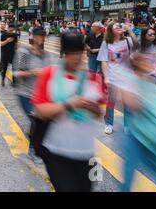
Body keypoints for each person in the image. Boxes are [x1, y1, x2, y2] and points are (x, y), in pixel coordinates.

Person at [31, 32, 104, 192]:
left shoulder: (92, 78)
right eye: (72, 54)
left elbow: (99, 115)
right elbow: (41, 110)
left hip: (88, 153)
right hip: (56, 151)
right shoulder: (49, 74)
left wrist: (93, 108)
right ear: (64, 54)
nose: (76, 58)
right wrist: (70, 104)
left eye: (80, 54)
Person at [118, 52, 156, 192]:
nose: (149, 64)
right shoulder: (129, 80)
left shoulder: (151, 79)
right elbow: (131, 104)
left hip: (153, 137)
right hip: (135, 135)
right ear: (136, 64)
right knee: (128, 177)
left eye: (149, 61)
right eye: (144, 61)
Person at [13, 27, 51, 164]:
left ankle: (35, 140)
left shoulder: (46, 55)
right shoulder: (24, 52)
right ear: (33, 37)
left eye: (44, 36)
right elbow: (16, 73)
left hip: (41, 95)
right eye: (39, 36)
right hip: (25, 94)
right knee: (36, 120)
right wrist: (33, 72)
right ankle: (33, 149)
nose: (42, 38)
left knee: (42, 122)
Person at [97, 21, 137, 135]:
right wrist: (106, 78)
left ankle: (128, 125)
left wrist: (129, 30)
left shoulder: (127, 41)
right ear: (110, 29)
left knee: (127, 102)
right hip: (113, 76)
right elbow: (104, 61)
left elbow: (138, 45)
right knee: (111, 102)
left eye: (120, 25)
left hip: (127, 77)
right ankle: (108, 123)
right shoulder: (106, 43)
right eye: (116, 25)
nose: (119, 26)